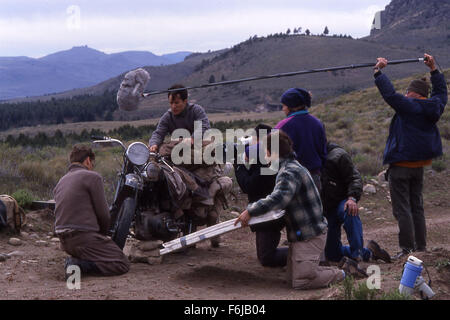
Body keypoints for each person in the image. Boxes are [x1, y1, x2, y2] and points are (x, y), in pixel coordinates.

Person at [235, 131, 364, 290]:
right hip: (303, 234)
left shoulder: (289, 172)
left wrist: (250, 211)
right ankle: (327, 268)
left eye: (265, 151)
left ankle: (345, 273)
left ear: (273, 152)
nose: (264, 155)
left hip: (309, 235)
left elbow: (278, 198)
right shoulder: (289, 167)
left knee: (301, 282)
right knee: (292, 279)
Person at [374, 54, 447, 259]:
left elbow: (389, 95)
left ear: (411, 93)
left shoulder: (409, 106)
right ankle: (421, 248)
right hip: (420, 166)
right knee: (417, 206)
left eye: (407, 93)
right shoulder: (434, 106)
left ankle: (407, 249)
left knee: (403, 208)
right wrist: (434, 69)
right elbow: (441, 92)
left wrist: (378, 72)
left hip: (401, 165)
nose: (404, 96)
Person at [54, 145, 130, 278]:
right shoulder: (92, 177)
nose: (92, 166)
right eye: (92, 164)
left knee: (97, 252)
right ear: (88, 160)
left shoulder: (61, 181)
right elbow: (103, 214)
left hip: (64, 241)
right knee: (121, 262)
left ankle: (80, 261)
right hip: (83, 238)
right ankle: (78, 265)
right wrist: (104, 235)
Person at [321, 142, 391, 266]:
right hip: (327, 209)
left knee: (350, 210)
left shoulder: (338, 155)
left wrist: (352, 198)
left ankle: (357, 257)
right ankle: (370, 252)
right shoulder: (309, 158)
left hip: (342, 201)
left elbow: (354, 178)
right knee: (333, 255)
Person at [234, 124, 287, 267]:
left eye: (253, 139)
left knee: (267, 258)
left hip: (269, 214)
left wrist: (238, 164)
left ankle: (305, 254)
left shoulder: (266, 161)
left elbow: (248, 185)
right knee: (263, 255)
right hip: (266, 213)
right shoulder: (266, 158)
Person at [275, 88, 327, 191]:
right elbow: (323, 152)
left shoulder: (283, 126)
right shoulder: (317, 123)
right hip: (314, 178)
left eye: (284, 105)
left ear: (291, 106)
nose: (283, 109)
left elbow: (269, 149)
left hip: (291, 179)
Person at [148, 84, 211, 152]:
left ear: (185, 101)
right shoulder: (167, 117)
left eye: (176, 103)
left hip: (197, 144)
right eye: (171, 103)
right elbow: (159, 133)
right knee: (162, 148)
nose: (173, 106)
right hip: (178, 147)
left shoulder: (196, 110)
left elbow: (204, 126)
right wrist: (154, 144)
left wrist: (193, 138)